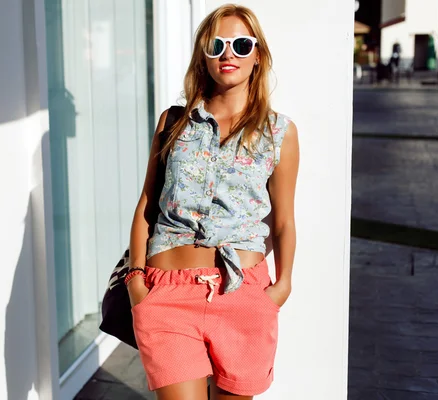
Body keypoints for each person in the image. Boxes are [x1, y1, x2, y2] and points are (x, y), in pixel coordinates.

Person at [125, 4, 299, 400]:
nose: (228, 54)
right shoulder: (173, 121)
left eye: (241, 44)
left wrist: (281, 286)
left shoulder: (279, 133)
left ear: (258, 56)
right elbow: (147, 206)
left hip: (243, 296)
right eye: (216, 44)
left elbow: (284, 220)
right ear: (203, 54)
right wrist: (136, 280)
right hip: (166, 294)